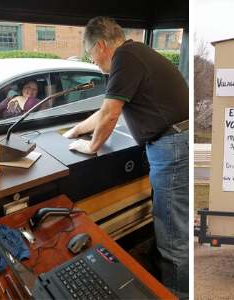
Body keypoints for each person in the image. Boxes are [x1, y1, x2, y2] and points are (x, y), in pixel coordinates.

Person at [62, 16, 189, 299]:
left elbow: (110, 113)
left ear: (101, 45)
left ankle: (174, 293)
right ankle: (164, 274)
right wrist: (73, 132)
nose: (92, 61)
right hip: (173, 144)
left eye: (89, 53)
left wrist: (91, 147)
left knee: (173, 234)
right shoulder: (135, 52)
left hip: (172, 147)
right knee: (168, 221)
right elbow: (104, 110)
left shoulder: (126, 56)